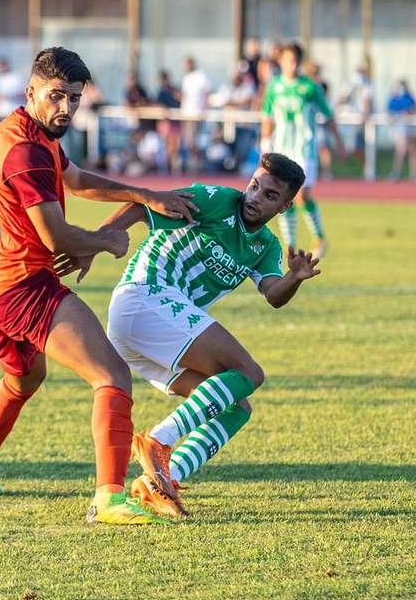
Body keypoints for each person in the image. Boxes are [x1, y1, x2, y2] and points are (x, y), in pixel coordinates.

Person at [0, 46, 199, 525]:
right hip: (20, 285)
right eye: (56, 96)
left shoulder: (24, 131)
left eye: (75, 99)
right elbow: (55, 234)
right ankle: (109, 500)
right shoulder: (25, 149)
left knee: (24, 378)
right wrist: (104, 240)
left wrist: (145, 195)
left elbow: (76, 179)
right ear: (31, 92)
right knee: (112, 376)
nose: (66, 108)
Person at [86, 154, 321, 518]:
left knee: (236, 408)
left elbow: (274, 295)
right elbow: (143, 205)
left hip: (145, 326)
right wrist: (98, 241)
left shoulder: (267, 246)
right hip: (143, 295)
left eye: (270, 195)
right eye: (255, 185)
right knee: (249, 374)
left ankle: (159, 481)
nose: (255, 197)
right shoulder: (215, 199)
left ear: (286, 205)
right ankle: (158, 440)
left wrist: (294, 277)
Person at [260, 42, 338, 258]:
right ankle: (290, 246)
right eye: (287, 61)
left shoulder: (310, 88)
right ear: (281, 61)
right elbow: (267, 118)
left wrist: (339, 143)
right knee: (283, 197)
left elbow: (328, 115)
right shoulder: (274, 87)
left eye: (295, 61)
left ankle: (319, 237)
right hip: (281, 150)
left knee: (302, 195)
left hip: (305, 150)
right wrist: (265, 147)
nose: (291, 66)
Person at [336, 63, 374, 176]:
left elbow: (368, 101)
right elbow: (341, 99)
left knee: (360, 146)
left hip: (362, 122)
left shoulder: (368, 85)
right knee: (352, 147)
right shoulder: (350, 85)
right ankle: (368, 166)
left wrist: (364, 113)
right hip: (350, 121)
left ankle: (370, 167)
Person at [179, 56, 210, 175]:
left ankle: (200, 163)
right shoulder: (186, 78)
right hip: (186, 113)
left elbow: (207, 91)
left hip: (196, 113)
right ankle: (194, 164)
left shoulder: (200, 76)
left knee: (193, 141)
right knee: (188, 142)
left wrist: (204, 109)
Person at [386, 80, 416, 180]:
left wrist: (410, 111)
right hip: (401, 128)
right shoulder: (394, 99)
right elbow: (389, 111)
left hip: (412, 128)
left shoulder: (410, 98)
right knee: (401, 151)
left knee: (414, 151)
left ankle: (415, 175)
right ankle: (397, 172)